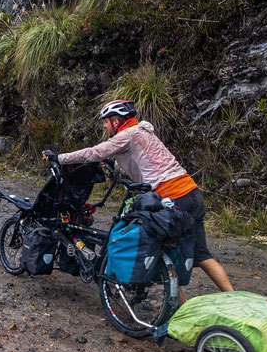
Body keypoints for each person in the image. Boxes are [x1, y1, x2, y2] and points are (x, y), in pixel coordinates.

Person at [46, 99, 234, 293]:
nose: (104, 125)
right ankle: (233, 297)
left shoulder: (127, 135)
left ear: (116, 122)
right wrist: (114, 167)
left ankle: (173, 312)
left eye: (106, 121)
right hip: (191, 193)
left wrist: (59, 158)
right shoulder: (144, 133)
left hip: (171, 196)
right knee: (202, 255)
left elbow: (95, 152)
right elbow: (140, 163)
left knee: (162, 252)